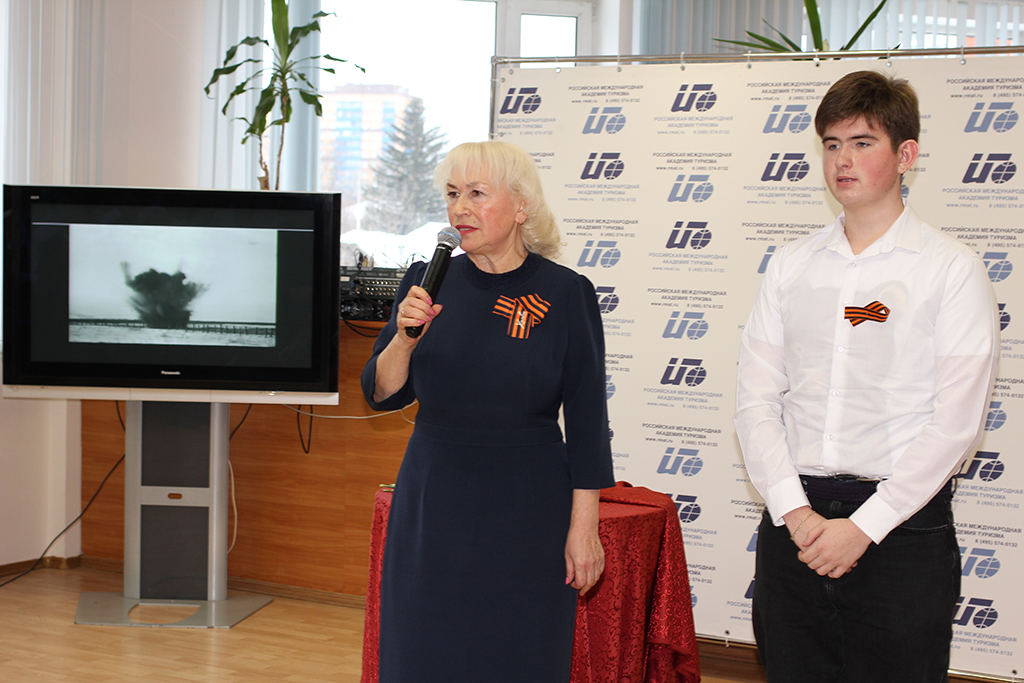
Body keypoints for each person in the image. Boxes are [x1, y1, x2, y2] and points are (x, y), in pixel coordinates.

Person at [734, 70, 1000, 682]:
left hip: (901, 527)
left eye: (862, 143)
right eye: (831, 144)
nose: (842, 160)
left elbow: (956, 423)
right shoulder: (791, 264)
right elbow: (755, 402)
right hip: (794, 519)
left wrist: (864, 526)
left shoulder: (951, 269)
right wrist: (797, 515)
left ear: (906, 155)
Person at [362, 140, 615, 683]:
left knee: (518, 655)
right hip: (433, 499)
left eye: (477, 194)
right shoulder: (426, 281)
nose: (460, 208)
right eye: (452, 194)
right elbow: (381, 392)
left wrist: (584, 526)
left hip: (528, 506)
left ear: (522, 205)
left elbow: (588, 420)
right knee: (423, 653)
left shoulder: (565, 292)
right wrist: (404, 338)